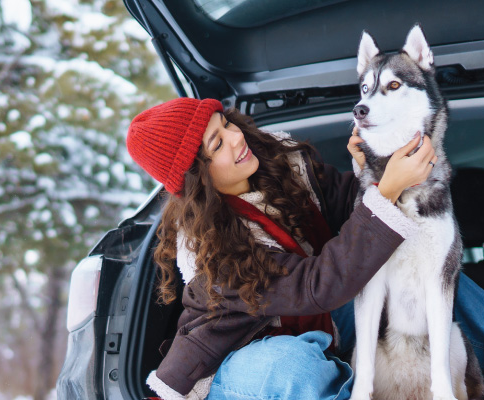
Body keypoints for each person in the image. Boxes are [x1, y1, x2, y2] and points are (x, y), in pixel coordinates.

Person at [129, 97, 441, 400]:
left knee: (414, 267)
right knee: (290, 364)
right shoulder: (213, 254)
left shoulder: (284, 169)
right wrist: (385, 192)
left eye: (226, 124)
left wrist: (375, 172)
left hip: (319, 326)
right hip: (242, 366)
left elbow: (352, 208)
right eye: (218, 144)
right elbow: (316, 286)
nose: (236, 137)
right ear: (197, 177)